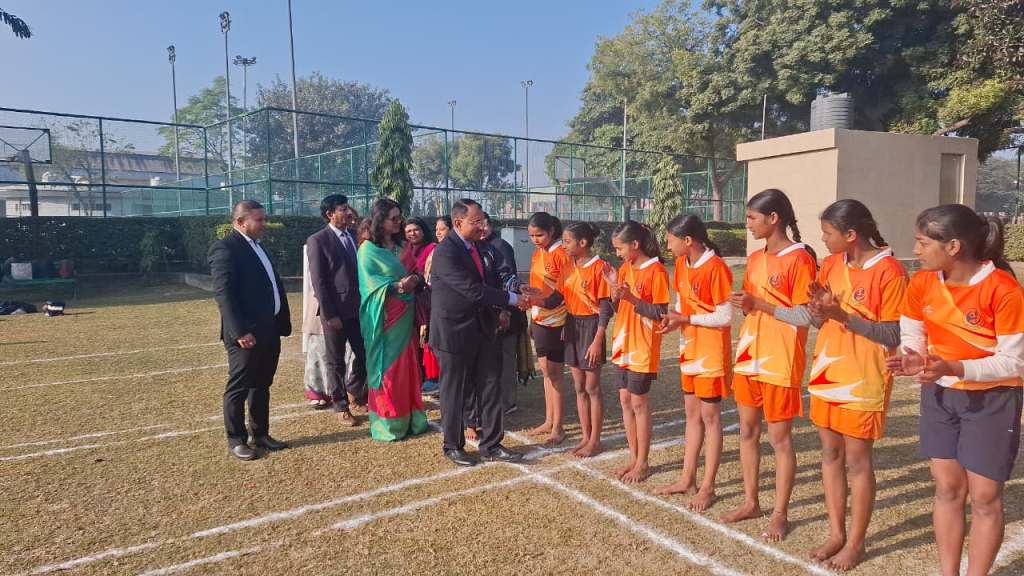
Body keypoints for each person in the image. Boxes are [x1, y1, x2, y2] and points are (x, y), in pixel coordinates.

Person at [887, 204, 1024, 576]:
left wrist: (954, 367)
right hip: (940, 396)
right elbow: (912, 332)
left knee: (984, 497)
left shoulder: (1004, 290)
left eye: (922, 242)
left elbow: (1014, 363)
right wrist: (913, 357)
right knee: (947, 488)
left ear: (953, 247)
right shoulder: (921, 282)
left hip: (992, 399)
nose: (914, 250)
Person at [777, 199, 905, 570]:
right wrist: (819, 311)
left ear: (851, 234)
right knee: (830, 454)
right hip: (827, 371)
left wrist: (842, 314)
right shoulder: (832, 264)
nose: (823, 239)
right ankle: (836, 532)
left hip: (864, 376)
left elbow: (893, 333)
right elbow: (820, 321)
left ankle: (856, 542)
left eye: (828, 233)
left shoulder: (890, 271)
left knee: (857, 462)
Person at [722, 188, 817, 542]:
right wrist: (745, 305)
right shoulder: (755, 258)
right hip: (750, 356)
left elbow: (805, 316)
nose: (747, 224)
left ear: (773, 218)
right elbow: (754, 306)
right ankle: (751, 502)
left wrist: (759, 304)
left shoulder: (800, 259)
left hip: (781, 359)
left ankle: (780, 513)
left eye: (752, 218)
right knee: (747, 431)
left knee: (779, 439)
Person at [430, 198, 526, 467]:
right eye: (476, 222)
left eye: (483, 221)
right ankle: (453, 446)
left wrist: (518, 290)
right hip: (453, 332)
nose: (482, 226)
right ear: (458, 222)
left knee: (491, 385)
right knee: (454, 391)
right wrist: (513, 300)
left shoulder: (482, 247)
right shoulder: (445, 252)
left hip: (483, 327)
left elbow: (495, 279)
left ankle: (492, 444)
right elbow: (472, 290)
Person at [654, 214, 733, 512]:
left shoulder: (716, 267)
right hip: (689, 348)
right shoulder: (681, 265)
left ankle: (708, 486)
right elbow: (679, 305)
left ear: (688, 240)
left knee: (711, 418)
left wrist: (686, 318)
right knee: (691, 414)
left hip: (710, 352)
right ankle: (687, 479)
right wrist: (674, 321)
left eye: (670, 240)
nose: (667, 246)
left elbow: (724, 316)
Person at [208, 199, 292, 461]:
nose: (264, 224)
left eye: (264, 219)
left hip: (269, 329)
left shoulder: (258, 246)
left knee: (261, 384)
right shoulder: (226, 248)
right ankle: (236, 440)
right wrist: (240, 331)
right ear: (240, 222)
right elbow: (224, 294)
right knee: (239, 386)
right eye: (259, 220)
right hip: (246, 334)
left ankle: (260, 434)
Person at [357, 199, 429, 441]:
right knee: (388, 369)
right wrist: (397, 286)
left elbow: (417, 273)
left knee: (408, 366)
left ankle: (412, 419)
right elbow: (369, 286)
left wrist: (415, 280)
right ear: (380, 221)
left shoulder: (403, 246)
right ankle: (389, 423)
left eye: (400, 218)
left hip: (406, 316)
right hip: (384, 318)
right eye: (394, 219)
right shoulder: (367, 250)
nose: (399, 223)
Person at [608, 220, 670, 484]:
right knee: (625, 400)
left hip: (643, 344)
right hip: (622, 342)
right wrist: (614, 292)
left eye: (619, 248)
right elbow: (617, 307)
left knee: (638, 403)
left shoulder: (656, 271)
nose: (617, 254)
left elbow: (661, 313)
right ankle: (633, 457)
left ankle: (643, 462)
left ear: (635, 244)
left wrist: (632, 298)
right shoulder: (625, 268)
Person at [305, 194, 368, 427]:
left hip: (358, 309)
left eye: (347, 207)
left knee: (365, 354)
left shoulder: (354, 236)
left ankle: (354, 391)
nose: (348, 212)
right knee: (336, 362)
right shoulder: (318, 240)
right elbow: (319, 281)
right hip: (335, 313)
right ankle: (341, 406)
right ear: (330, 214)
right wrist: (330, 314)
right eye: (342, 209)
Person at [561, 222, 613, 458]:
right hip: (571, 325)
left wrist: (597, 339)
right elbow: (557, 298)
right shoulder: (568, 266)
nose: (563, 245)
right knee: (579, 386)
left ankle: (595, 440)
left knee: (592, 387)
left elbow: (605, 307)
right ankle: (585, 436)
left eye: (567, 241)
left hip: (592, 327)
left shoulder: (600, 267)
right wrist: (533, 298)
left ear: (582, 243)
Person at [525, 212, 571, 445]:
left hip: (556, 320)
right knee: (545, 371)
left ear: (551, 231)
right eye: (532, 235)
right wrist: (529, 293)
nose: (535, 239)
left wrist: (536, 301)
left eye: (539, 235)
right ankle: (549, 420)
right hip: (539, 317)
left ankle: (558, 427)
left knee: (555, 374)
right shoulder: (538, 253)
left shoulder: (562, 254)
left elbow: (561, 293)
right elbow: (538, 285)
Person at [483, 212, 526, 415]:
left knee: (506, 356)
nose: (481, 228)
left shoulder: (499, 246)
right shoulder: (477, 246)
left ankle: (508, 401)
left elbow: (509, 278)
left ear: (490, 225)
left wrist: (506, 311)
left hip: (506, 311)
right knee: (493, 358)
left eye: (483, 224)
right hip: (489, 312)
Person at [402, 217, 439, 396]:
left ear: (423, 230)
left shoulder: (432, 249)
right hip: (406, 302)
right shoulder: (404, 251)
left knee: (426, 340)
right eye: (408, 231)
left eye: (415, 229)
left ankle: (432, 379)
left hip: (426, 301)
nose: (412, 233)